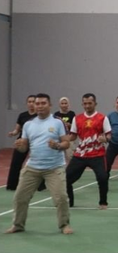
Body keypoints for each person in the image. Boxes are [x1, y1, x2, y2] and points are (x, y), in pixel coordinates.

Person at [4, 93, 73, 235]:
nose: (40, 106)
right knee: (20, 197)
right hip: (32, 167)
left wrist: (58, 146)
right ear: (34, 106)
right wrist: (19, 146)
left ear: (50, 105)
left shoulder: (57, 123)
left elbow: (66, 142)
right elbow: (25, 147)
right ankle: (18, 225)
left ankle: (64, 225)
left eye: (43, 103)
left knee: (61, 198)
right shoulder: (28, 125)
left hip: (54, 168)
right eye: (37, 103)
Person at [66, 93, 111, 209]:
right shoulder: (77, 118)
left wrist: (105, 139)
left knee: (102, 178)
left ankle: (103, 202)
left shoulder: (102, 118)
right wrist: (61, 140)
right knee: (65, 179)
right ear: (82, 104)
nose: (87, 106)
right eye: (85, 103)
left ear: (95, 104)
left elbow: (109, 136)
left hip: (97, 155)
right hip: (80, 154)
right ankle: (69, 202)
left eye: (89, 103)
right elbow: (73, 136)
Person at [6, 95, 38, 191]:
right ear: (27, 103)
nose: (31, 104)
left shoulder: (39, 116)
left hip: (35, 142)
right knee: (16, 162)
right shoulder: (22, 115)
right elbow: (17, 129)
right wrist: (13, 133)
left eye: (33, 101)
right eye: (29, 101)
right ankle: (12, 185)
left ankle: (41, 185)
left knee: (39, 163)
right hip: (22, 141)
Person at [53, 97, 76, 161]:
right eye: (62, 103)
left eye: (65, 103)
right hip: (59, 138)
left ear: (68, 104)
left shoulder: (72, 114)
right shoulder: (56, 114)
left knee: (70, 156)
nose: (64, 105)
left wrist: (69, 125)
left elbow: (75, 126)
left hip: (69, 138)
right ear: (59, 105)